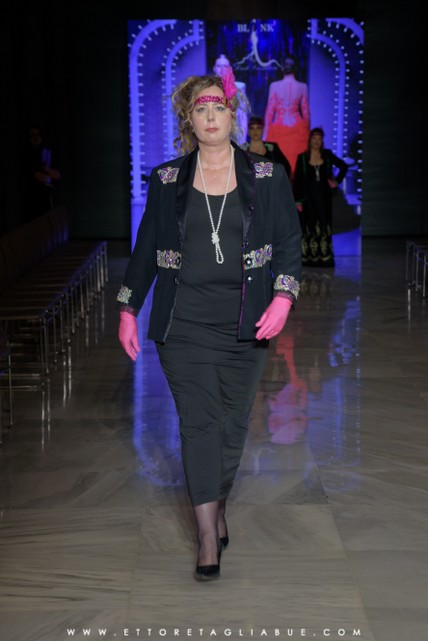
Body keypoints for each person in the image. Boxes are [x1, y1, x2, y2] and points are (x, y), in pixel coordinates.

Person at [117, 71, 302, 582]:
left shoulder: (266, 176)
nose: (211, 117)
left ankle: (215, 502)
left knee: (233, 425)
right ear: (189, 119)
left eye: (218, 107)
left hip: (246, 324)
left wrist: (283, 297)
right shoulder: (166, 179)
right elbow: (146, 249)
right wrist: (128, 308)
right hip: (184, 323)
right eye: (200, 109)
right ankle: (206, 534)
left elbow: (289, 243)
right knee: (199, 423)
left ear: (232, 114)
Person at [293, 127, 349, 268]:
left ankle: (325, 258)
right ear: (310, 140)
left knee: (324, 225)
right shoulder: (303, 158)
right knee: (309, 226)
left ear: (322, 141)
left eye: (319, 139)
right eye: (314, 138)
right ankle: (310, 258)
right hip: (308, 199)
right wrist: (297, 200)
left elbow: (343, 166)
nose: (316, 141)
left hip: (324, 198)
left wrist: (336, 181)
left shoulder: (327, 155)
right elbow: (298, 180)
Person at [263, 54, 310, 180]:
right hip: (296, 128)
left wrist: (265, 134)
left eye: (289, 64)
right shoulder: (302, 86)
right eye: (287, 64)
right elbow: (305, 112)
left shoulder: (275, 86)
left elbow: (270, 111)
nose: (288, 67)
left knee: (285, 164)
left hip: (283, 129)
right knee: (287, 164)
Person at [21, 126, 61, 221]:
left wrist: (48, 170)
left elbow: (58, 175)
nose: (36, 138)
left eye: (38, 135)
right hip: (33, 196)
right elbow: (39, 176)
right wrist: (47, 175)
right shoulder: (27, 155)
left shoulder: (46, 153)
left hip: (47, 195)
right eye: (32, 135)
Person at [213, 53, 249, 144]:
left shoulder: (238, 88)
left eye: (225, 66)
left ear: (230, 69)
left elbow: (242, 116)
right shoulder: (207, 89)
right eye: (219, 66)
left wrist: (243, 140)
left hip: (233, 135)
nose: (222, 69)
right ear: (214, 68)